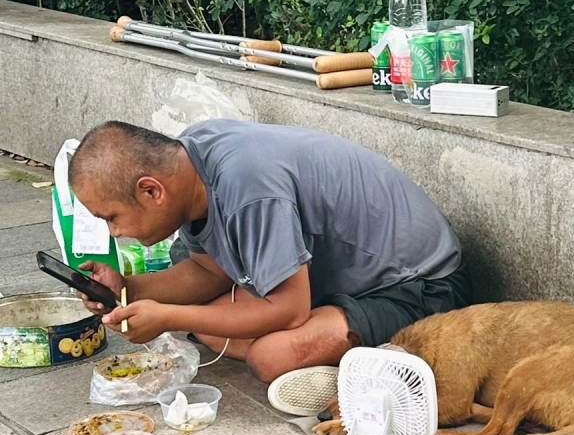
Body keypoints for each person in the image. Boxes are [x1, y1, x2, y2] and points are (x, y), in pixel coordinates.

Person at [70, 119, 469, 383]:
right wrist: (131, 290)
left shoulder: (247, 185)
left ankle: (366, 370)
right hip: (334, 277)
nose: (114, 232)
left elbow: (290, 310)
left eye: (112, 217)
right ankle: (326, 336)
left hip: (420, 288)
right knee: (219, 316)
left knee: (271, 357)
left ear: (151, 190)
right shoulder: (188, 162)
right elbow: (208, 271)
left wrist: (169, 317)